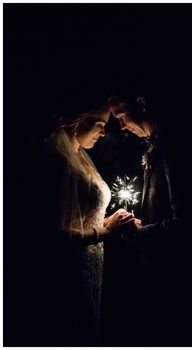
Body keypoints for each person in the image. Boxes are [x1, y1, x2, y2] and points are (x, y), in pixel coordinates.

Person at [21, 97, 134, 346]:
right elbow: (54, 233)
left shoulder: (79, 155)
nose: (104, 133)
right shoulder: (59, 161)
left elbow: (82, 218)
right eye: (100, 124)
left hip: (90, 265)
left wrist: (113, 221)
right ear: (80, 121)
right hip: (69, 270)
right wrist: (106, 231)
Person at [108, 93, 192, 346]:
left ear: (141, 104)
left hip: (177, 275)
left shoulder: (176, 144)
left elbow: (188, 221)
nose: (121, 126)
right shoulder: (156, 142)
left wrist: (139, 234)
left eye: (121, 116)